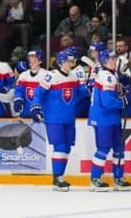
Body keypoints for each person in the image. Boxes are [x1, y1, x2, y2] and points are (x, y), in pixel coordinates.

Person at [31, 48, 90, 190]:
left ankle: (60, 176)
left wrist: (88, 85)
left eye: (73, 60)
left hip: (69, 118)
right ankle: (57, 177)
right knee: (60, 146)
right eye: (70, 61)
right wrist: (36, 106)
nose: (73, 63)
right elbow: (38, 93)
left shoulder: (74, 76)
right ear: (61, 62)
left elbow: (81, 94)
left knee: (67, 148)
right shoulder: (51, 76)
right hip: (54, 118)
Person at [88, 50, 131, 191]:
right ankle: (95, 179)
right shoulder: (106, 76)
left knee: (119, 148)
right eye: (111, 59)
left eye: (114, 59)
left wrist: (123, 92)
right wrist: (122, 102)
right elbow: (107, 102)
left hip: (111, 117)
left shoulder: (112, 75)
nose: (114, 61)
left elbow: (115, 94)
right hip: (103, 118)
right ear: (105, 61)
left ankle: (118, 178)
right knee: (103, 148)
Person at [13, 50, 47, 118]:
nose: (31, 60)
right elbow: (19, 90)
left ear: (40, 61)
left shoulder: (46, 75)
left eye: (34, 58)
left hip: (41, 114)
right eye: (30, 58)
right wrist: (18, 99)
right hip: (25, 113)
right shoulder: (23, 75)